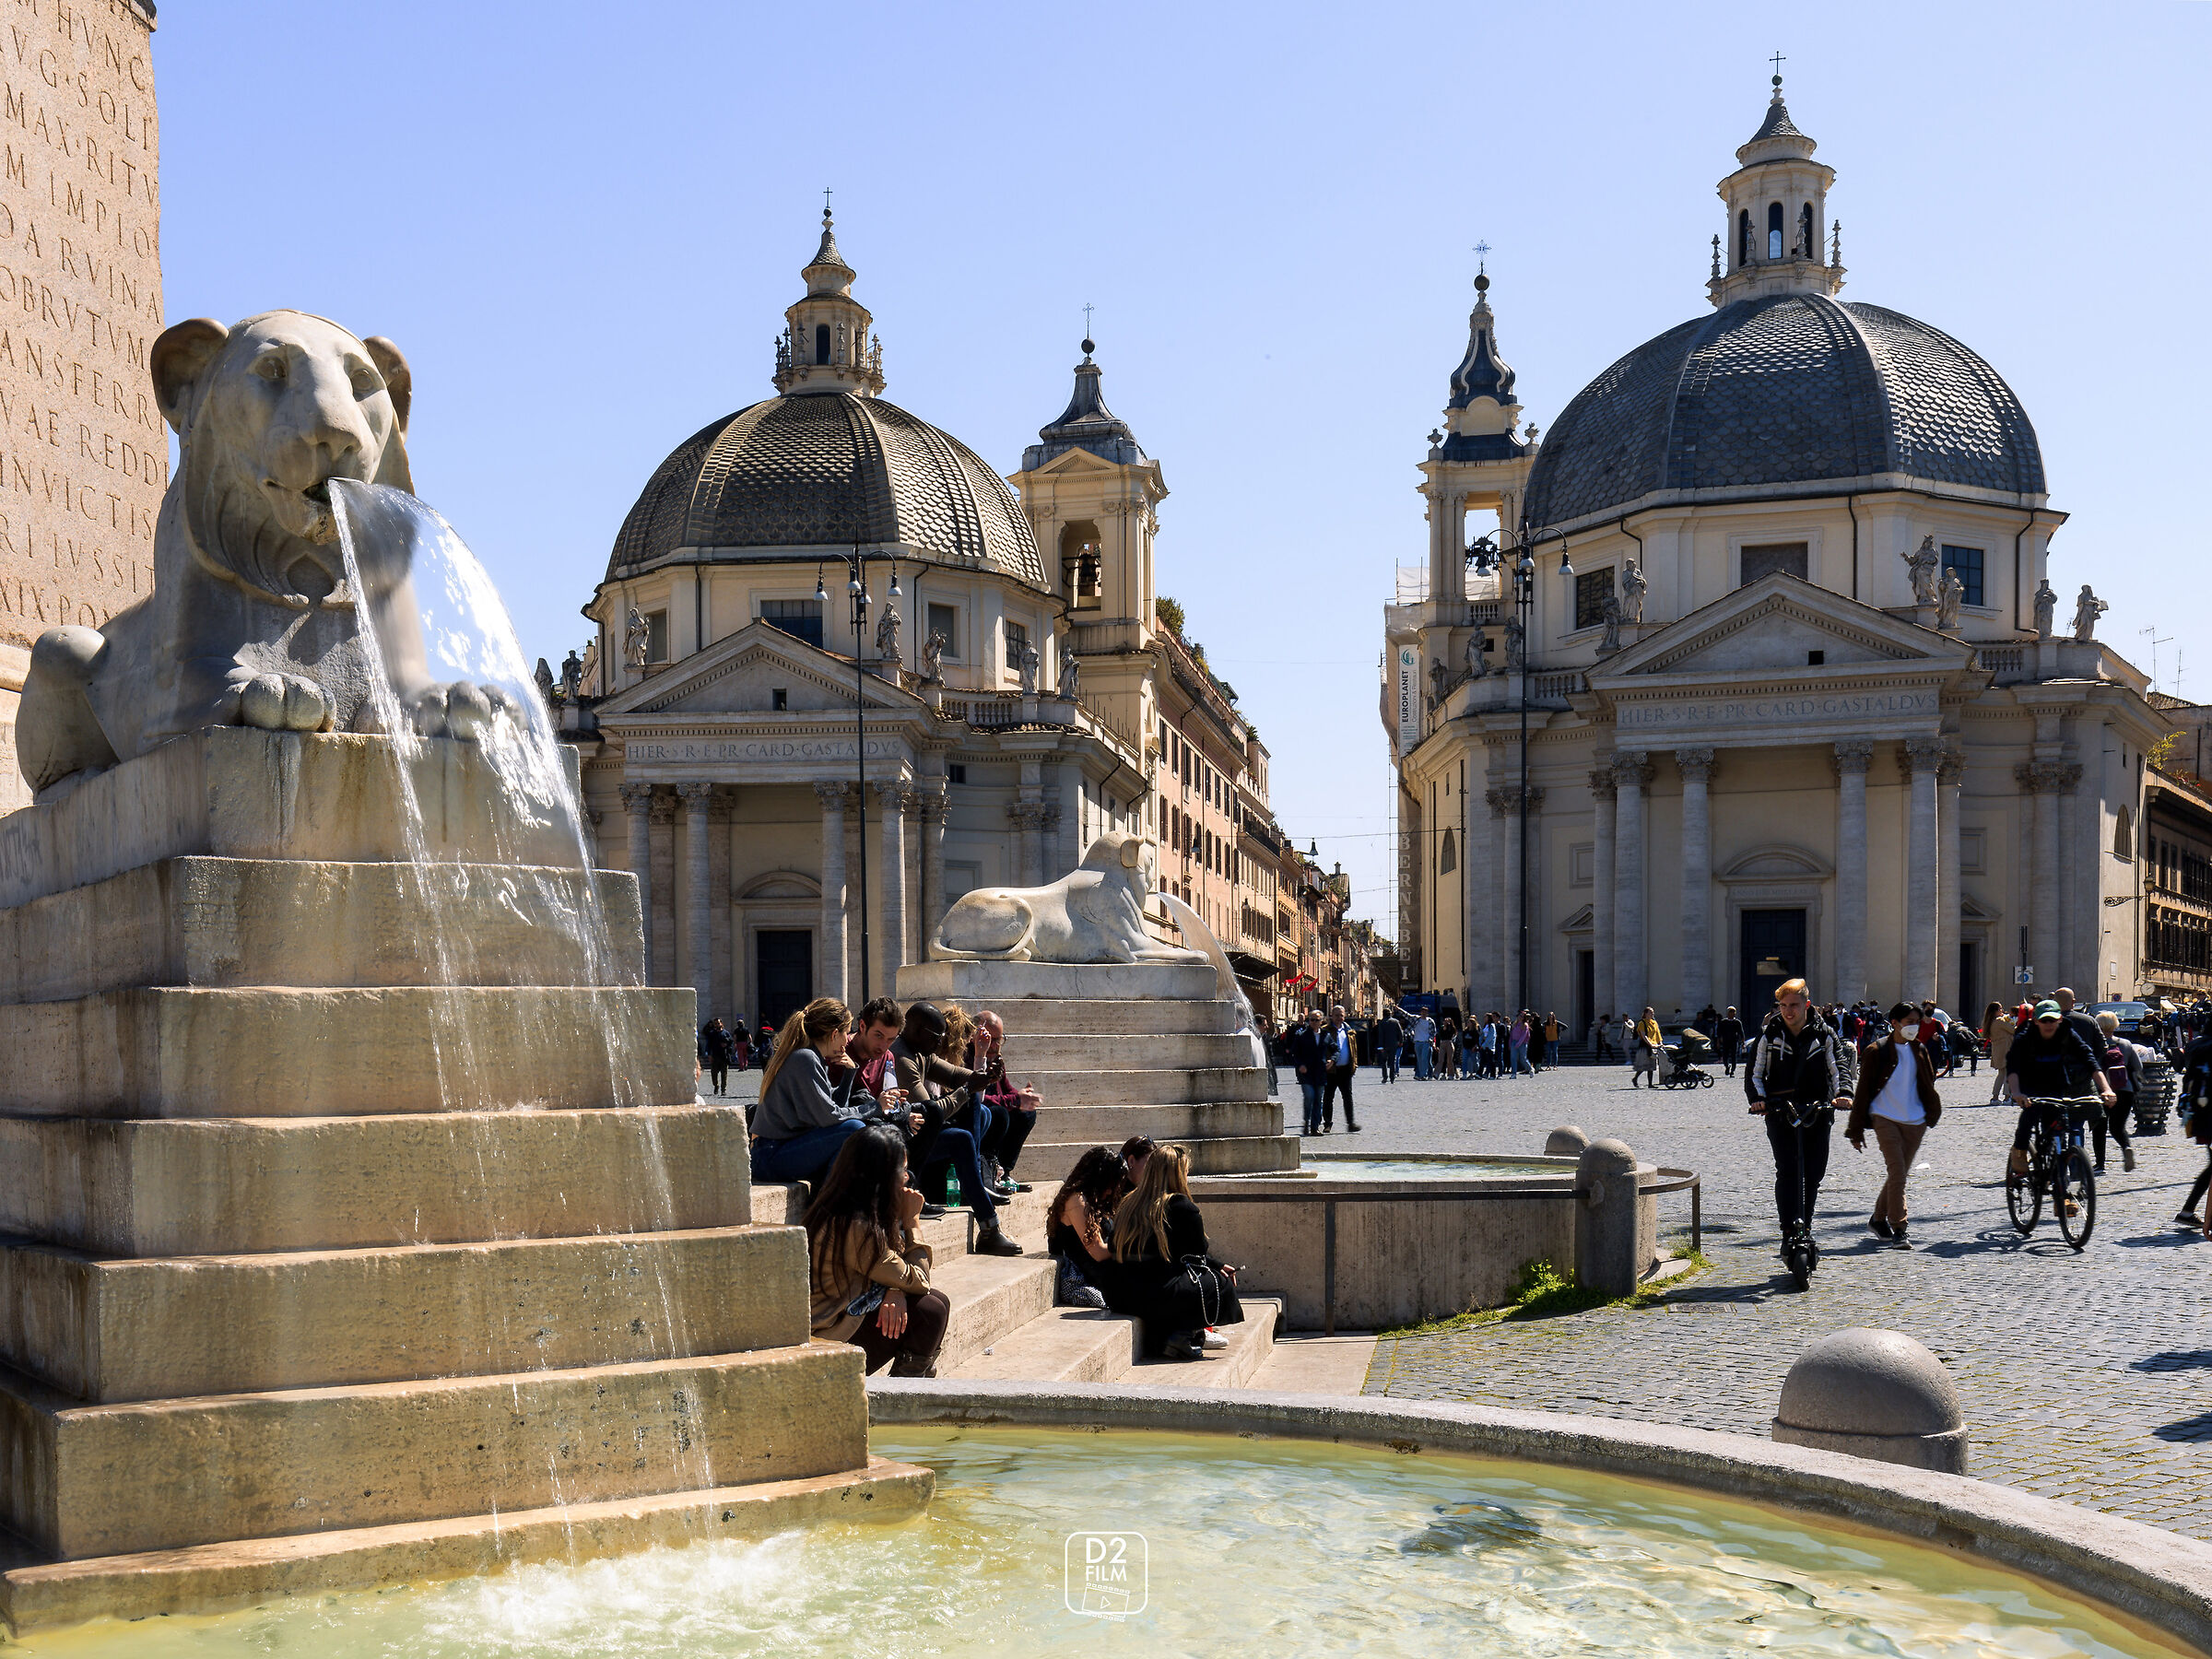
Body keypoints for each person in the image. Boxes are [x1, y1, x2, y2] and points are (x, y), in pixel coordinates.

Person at [805, 1124, 947, 1377]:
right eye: (902, 1171)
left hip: (850, 1312)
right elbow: (919, 1280)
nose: (907, 1178)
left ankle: (916, 1386)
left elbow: (894, 1266)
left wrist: (894, 1288)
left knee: (938, 1302)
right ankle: (902, 1403)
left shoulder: (846, 1206)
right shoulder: (856, 1226)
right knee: (930, 1312)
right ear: (881, 1176)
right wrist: (912, 1221)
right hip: (831, 1337)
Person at [890, 1002, 1023, 1256]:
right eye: (936, 1037)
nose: (940, 1043)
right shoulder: (903, 1058)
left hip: (920, 1135)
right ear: (918, 1032)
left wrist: (985, 1077)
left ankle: (988, 1225)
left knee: (973, 1108)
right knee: (963, 1122)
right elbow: (930, 1113)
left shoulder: (922, 1050)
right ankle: (989, 1226)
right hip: (905, 1141)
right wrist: (967, 1089)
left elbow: (954, 1075)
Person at [1745, 979, 1857, 1260]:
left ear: (1807, 1005)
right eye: (1783, 1006)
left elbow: (1839, 1066)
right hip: (1780, 1110)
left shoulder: (1825, 1034)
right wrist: (1758, 1100)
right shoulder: (1769, 1036)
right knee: (1788, 1171)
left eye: (1794, 1005)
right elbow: (1755, 1073)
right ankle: (1788, 1232)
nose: (1788, 1011)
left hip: (1818, 1109)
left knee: (1814, 1174)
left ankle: (1804, 1227)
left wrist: (1843, 1093)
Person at [1106, 1143, 1242, 1361]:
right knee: (1220, 1283)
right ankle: (1185, 1334)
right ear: (1178, 1175)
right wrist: (1217, 1269)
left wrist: (1215, 1263)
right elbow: (1197, 1255)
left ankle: (1176, 1336)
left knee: (1196, 1277)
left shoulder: (1129, 1202)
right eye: (1186, 1173)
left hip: (1121, 1294)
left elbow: (1114, 1245)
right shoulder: (1181, 1206)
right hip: (1156, 1293)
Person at [1846, 1002, 1944, 1247]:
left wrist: (1931, 1113)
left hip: (1915, 1121)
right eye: (1909, 1022)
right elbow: (1863, 1092)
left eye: (1917, 1022)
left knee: (1897, 1175)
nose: (1914, 1026)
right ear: (1895, 1024)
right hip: (1884, 1117)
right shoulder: (1875, 1051)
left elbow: (1928, 1083)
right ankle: (1899, 1228)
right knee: (1898, 1173)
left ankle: (1878, 1219)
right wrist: (1856, 1130)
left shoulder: (1919, 1049)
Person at [751, 999, 872, 1185]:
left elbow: (833, 1109)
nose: (846, 1042)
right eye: (846, 1034)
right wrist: (874, 1107)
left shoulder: (811, 1056)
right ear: (834, 1034)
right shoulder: (805, 1058)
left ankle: (828, 1200)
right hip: (770, 1154)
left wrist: (849, 1074)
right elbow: (830, 1117)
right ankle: (828, 1203)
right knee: (854, 1129)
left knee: (852, 1132)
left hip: (778, 1149)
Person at [2004, 999, 2112, 1182]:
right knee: (2030, 1115)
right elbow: (2013, 1067)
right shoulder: (2025, 1037)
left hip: (2058, 1084)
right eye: (2044, 1020)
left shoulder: (2067, 1034)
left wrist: (2106, 1089)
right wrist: (2016, 1093)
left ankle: (2060, 1190)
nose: (2048, 1024)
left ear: (2060, 1019)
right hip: (2030, 1084)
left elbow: (2090, 1060)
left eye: (2052, 1020)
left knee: (2057, 1132)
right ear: (2036, 1021)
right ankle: (2019, 1149)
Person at [1046, 1146, 1130, 1308]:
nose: (1111, 1191)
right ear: (1098, 1178)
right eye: (1111, 1184)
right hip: (1088, 1274)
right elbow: (1098, 1252)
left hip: (1102, 1270)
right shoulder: (1076, 1200)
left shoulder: (1094, 1199)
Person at [973, 1010, 1041, 1194]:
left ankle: (1003, 1172)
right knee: (998, 1113)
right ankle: (988, 1173)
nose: (995, 1045)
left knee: (1026, 1113)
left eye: (999, 1040)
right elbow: (979, 1099)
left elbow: (1007, 1090)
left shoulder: (996, 1059)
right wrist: (1015, 1099)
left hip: (994, 1114)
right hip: (977, 1116)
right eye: (991, 1039)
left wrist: (1022, 1098)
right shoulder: (969, 1058)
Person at [2092, 1011, 2140, 1174]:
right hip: (2125, 1091)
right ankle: (2126, 1147)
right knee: (2118, 1127)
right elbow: (2138, 1067)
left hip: (2102, 1091)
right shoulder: (2126, 1044)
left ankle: (2100, 1165)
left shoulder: (2095, 1044)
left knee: (2099, 1129)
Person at [1322, 1005, 1362, 1132]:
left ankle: (1350, 1123)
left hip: (1345, 1069)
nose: (1339, 1018)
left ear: (1344, 1016)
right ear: (1331, 1016)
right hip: (1331, 1069)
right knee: (1328, 1097)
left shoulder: (1349, 1031)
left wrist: (1354, 1064)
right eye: (1337, 1015)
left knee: (1348, 1097)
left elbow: (1354, 1049)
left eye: (1341, 1015)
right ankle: (1327, 1124)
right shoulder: (1325, 1031)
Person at [1288, 1009, 1329, 1135]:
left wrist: (1332, 1060)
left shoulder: (1326, 1035)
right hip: (1306, 1074)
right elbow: (1294, 1053)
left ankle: (1314, 1127)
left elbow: (1336, 1049)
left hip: (1320, 1073)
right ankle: (1307, 1120)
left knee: (1318, 1100)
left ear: (1321, 1021)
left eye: (1317, 1020)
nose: (1314, 1022)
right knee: (1309, 1097)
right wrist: (1300, 1065)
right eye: (1311, 1020)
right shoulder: (1302, 1035)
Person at [1982, 1001, 2016, 1104]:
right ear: (1995, 1011)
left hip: (1997, 1050)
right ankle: (2007, 1096)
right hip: (2006, 1049)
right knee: (2007, 1074)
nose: (2002, 1010)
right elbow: (2013, 1030)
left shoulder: (1989, 1022)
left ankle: (1995, 1097)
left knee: (2001, 1074)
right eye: (2000, 1009)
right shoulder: (1999, 1021)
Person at [699, 1018, 735, 1096]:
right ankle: (716, 1085)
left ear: (721, 1023)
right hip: (715, 1056)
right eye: (715, 1023)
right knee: (714, 1074)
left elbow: (731, 1042)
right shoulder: (712, 1033)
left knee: (724, 1074)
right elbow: (708, 1045)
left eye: (718, 1023)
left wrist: (726, 1045)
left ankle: (723, 1089)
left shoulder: (726, 1033)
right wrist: (709, 1054)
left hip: (724, 1056)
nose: (717, 1025)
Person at [1630, 1007, 1664, 1088]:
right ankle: (1635, 1078)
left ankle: (1650, 1084)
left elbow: (1658, 1034)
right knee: (1644, 1065)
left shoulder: (1654, 1023)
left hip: (1654, 1046)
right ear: (1645, 1014)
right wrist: (1650, 1044)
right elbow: (1643, 1035)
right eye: (1650, 1012)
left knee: (1651, 1066)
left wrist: (1660, 1043)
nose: (1652, 1014)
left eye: (1653, 1012)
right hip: (1645, 1046)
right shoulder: (1642, 1023)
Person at [1374, 1010, 1404, 1084]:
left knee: (1384, 1062)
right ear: (1390, 1014)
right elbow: (1400, 1033)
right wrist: (1400, 1041)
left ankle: (1385, 1077)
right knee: (1392, 1061)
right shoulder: (1395, 1022)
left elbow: (1380, 1035)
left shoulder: (1381, 1022)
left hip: (1384, 1045)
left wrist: (1380, 1046)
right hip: (1393, 1044)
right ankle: (1392, 1078)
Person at [1715, 1006, 1745, 1077]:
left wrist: (1743, 1042)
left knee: (1734, 1056)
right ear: (1728, 1013)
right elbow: (1719, 1033)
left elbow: (1741, 1032)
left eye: (1733, 1012)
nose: (1732, 1013)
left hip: (1734, 1041)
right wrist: (1718, 1041)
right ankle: (1727, 1066)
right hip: (1725, 1041)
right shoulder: (1723, 1022)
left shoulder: (1737, 1022)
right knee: (1725, 1056)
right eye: (1730, 1012)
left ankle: (1732, 1071)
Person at [1411, 1008, 1435, 1080]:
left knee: (1424, 1058)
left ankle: (1423, 1075)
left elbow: (1433, 1032)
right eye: (1423, 1012)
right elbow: (1406, 1015)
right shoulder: (1416, 1019)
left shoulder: (1430, 1021)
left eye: (1425, 1012)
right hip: (1417, 1041)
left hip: (1426, 1042)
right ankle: (1422, 1074)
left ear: (1427, 1013)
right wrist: (1398, 1009)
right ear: (1420, 1012)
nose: (1424, 1013)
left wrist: (1431, 1040)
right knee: (1419, 1059)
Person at [1437, 1010, 1460, 1080]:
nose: (1446, 1022)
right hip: (1443, 1043)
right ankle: (1441, 1073)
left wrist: (1449, 1026)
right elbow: (1440, 1035)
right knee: (1441, 1060)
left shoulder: (1452, 1028)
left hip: (1450, 1044)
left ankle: (1452, 1073)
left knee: (1450, 1060)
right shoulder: (1442, 1028)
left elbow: (1452, 1035)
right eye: (1445, 1021)